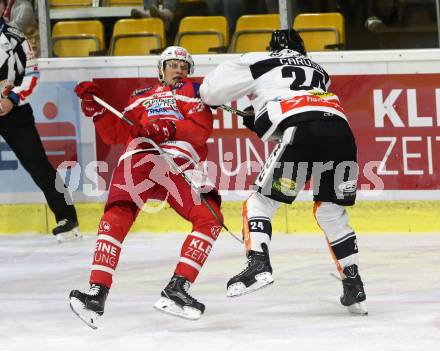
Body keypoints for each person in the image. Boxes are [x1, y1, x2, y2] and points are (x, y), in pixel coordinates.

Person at [200, 29, 367, 315]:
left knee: (260, 202)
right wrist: (263, 118)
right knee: (330, 211)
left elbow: (210, 92)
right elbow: (299, 99)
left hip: (302, 130)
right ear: (301, 49)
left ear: (272, 48)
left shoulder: (261, 59)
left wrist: (243, 110)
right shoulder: (320, 70)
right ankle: (353, 282)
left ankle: (258, 263)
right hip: (341, 133)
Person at [69, 46, 223, 328]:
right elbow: (116, 133)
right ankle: (96, 293)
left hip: (179, 159)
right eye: (173, 65)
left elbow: (201, 130)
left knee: (210, 218)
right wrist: (97, 111)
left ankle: (177, 289)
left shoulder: (195, 92)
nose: (178, 69)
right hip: (141, 155)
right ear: (161, 69)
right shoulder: (140, 97)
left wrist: (168, 128)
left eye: (183, 66)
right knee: (117, 215)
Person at [0, 0, 80, 242]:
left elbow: (32, 73)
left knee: (38, 165)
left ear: (4, 7)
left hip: (14, 112)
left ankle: (68, 217)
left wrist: (13, 98)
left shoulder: (16, 38)